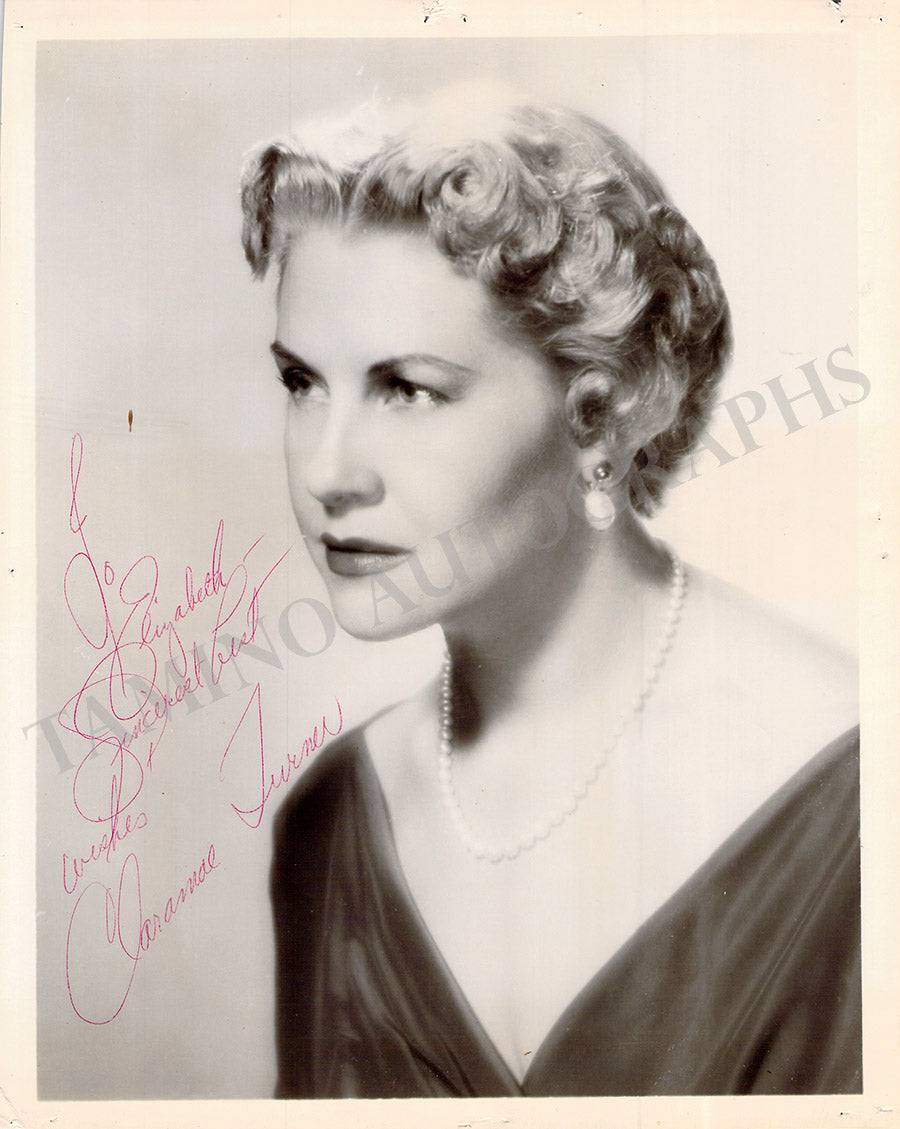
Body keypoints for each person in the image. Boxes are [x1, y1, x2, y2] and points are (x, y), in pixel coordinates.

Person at [240, 86, 860, 1097]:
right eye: (302, 383)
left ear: (599, 414)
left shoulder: (849, 793)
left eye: (408, 389)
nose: (327, 471)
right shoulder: (332, 820)